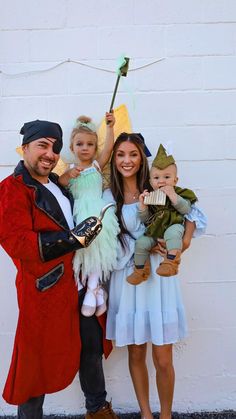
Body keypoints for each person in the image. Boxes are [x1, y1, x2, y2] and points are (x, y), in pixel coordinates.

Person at [0, 120, 117, 419]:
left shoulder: (58, 184)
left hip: (76, 285)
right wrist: (72, 239)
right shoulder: (12, 188)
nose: (50, 153)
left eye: (55, 147)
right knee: (33, 365)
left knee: (90, 347)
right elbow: (17, 243)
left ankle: (98, 410)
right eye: (42, 145)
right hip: (43, 292)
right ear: (25, 147)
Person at [104, 133, 207, 419]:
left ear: (142, 158)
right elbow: (106, 241)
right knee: (136, 353)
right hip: (129, 278)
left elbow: (193, 216)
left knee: (162, 357)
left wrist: (182, 244)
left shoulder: (157, 186)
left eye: (133, 154)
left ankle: (166, 415)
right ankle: (146, 414)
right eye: (121, 154)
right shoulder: (107, 195)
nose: (127, 160)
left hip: (159, 283)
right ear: (113, 158)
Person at [59, 113, 119, 317]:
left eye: (90, 144)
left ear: (95, 148)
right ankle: (97, 291)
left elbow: (109, 149)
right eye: (80, 144)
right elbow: (61, 186)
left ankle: (93, 288)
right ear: (71, 148)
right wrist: (67, 175)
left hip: (98, 213)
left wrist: (110, 127)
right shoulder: (69, 169)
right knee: (84, 251)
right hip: (78, 216)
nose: (85, 148)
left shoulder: (96, 166)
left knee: (98, 248)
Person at [127, 143, 197, 285]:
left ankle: (171, 263)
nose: (161, 181)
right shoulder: (151, 197)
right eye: (157, 178)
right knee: (141, 242)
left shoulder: (180, 193)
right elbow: (145, 220)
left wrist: (173, 196)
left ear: (175, 180)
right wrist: (142, 206)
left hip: (174, 225)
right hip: (155, 230)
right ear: (151, 182)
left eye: (166, 177)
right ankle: (140, 270)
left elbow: (187, 210)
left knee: (172, 234)